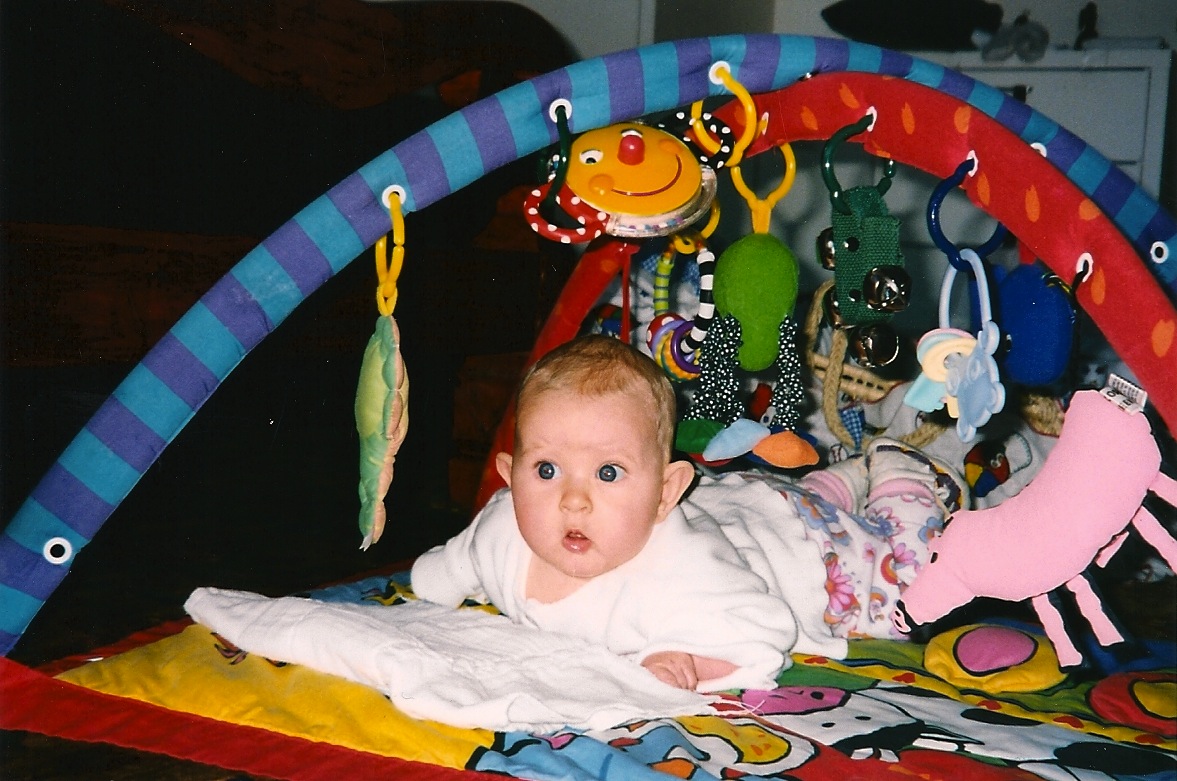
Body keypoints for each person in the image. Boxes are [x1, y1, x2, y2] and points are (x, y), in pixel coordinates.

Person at [411, 334, 848, 692]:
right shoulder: (500, 531)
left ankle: (870, 473)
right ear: (510, 479)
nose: (573, 500)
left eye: (607, 472)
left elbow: (764, 632)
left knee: (857, 539)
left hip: (792, 532)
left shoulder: (682, 573)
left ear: (664, 494)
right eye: (547, 470)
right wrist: (434, 582)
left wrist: (678, 656)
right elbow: (461, 559)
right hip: (712, 501)